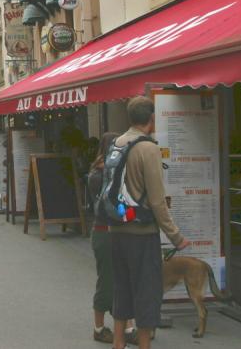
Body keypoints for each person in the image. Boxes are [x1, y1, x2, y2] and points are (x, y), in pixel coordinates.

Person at [110, 96, 187, 349]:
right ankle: (144, 345)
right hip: (142, 232)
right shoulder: (148, 148)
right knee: (146, 291)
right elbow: (156, 201)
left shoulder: (118, 143)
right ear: (151, 119)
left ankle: (118, 342)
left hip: (117, 227)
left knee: (121, 286)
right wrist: (175, 236)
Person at [87, 132, 137, 346]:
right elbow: (113, 206)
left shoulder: (105, 172)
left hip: (113, 233)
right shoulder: (100, 174)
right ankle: (99, 328)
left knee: (122, 281)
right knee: (107, 282)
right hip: (105, 232)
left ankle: (128, 327)